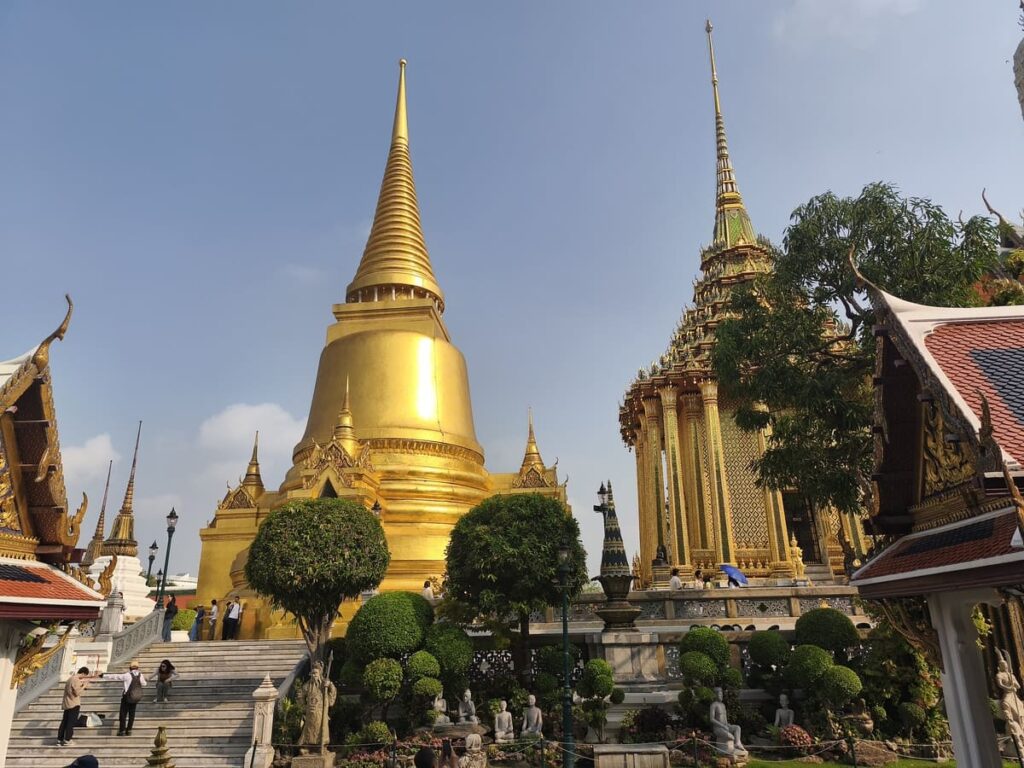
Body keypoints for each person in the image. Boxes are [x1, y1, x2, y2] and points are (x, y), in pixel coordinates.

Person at [101, 660, 147, 736]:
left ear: (130, 667)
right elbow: (144, 684)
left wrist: (104, 675)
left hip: (126, 697)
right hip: (135, 697)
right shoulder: (140, 675)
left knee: (123, 714)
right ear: (138, 668)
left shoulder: (127, 675)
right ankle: (129, 730)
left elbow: (115, 677)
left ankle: (122, 730)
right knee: (132, 714)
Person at [58, 667, 96, 746]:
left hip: (67, 704)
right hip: (74, 704)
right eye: (85, 675)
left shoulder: (70, 679)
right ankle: (67, 739)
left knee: (64, 722)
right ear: (83, 673)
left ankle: (60, 739)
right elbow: (77, 692)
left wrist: (83, 686)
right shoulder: (76, 679)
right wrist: (84, 685)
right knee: (70, 722)